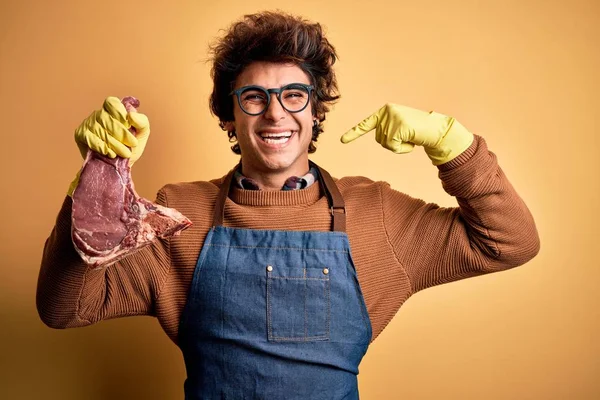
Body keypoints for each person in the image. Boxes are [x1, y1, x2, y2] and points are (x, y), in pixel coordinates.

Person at [37, 10, 540, 400]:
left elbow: (510, 243)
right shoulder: (178, 212)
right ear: (229, 117)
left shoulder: (376, 214)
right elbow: (64, 309)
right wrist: (98, 178)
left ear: (317, 111)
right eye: (253, 97)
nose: (275, 112)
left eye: (294, 95)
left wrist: (451, 143)